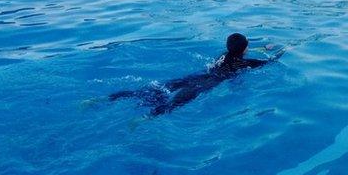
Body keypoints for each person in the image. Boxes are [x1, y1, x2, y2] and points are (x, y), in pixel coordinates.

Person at [109, 33, 282, 116]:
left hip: (198, 75)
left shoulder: (224, 54)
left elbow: (238, 49)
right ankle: (147, 118)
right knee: (175, 102)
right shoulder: (244, 63)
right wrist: (285, 50)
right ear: (244, 49)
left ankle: (114, 98)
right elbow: (270, 61)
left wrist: (263, 47)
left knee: (162, 88)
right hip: (208, 83)